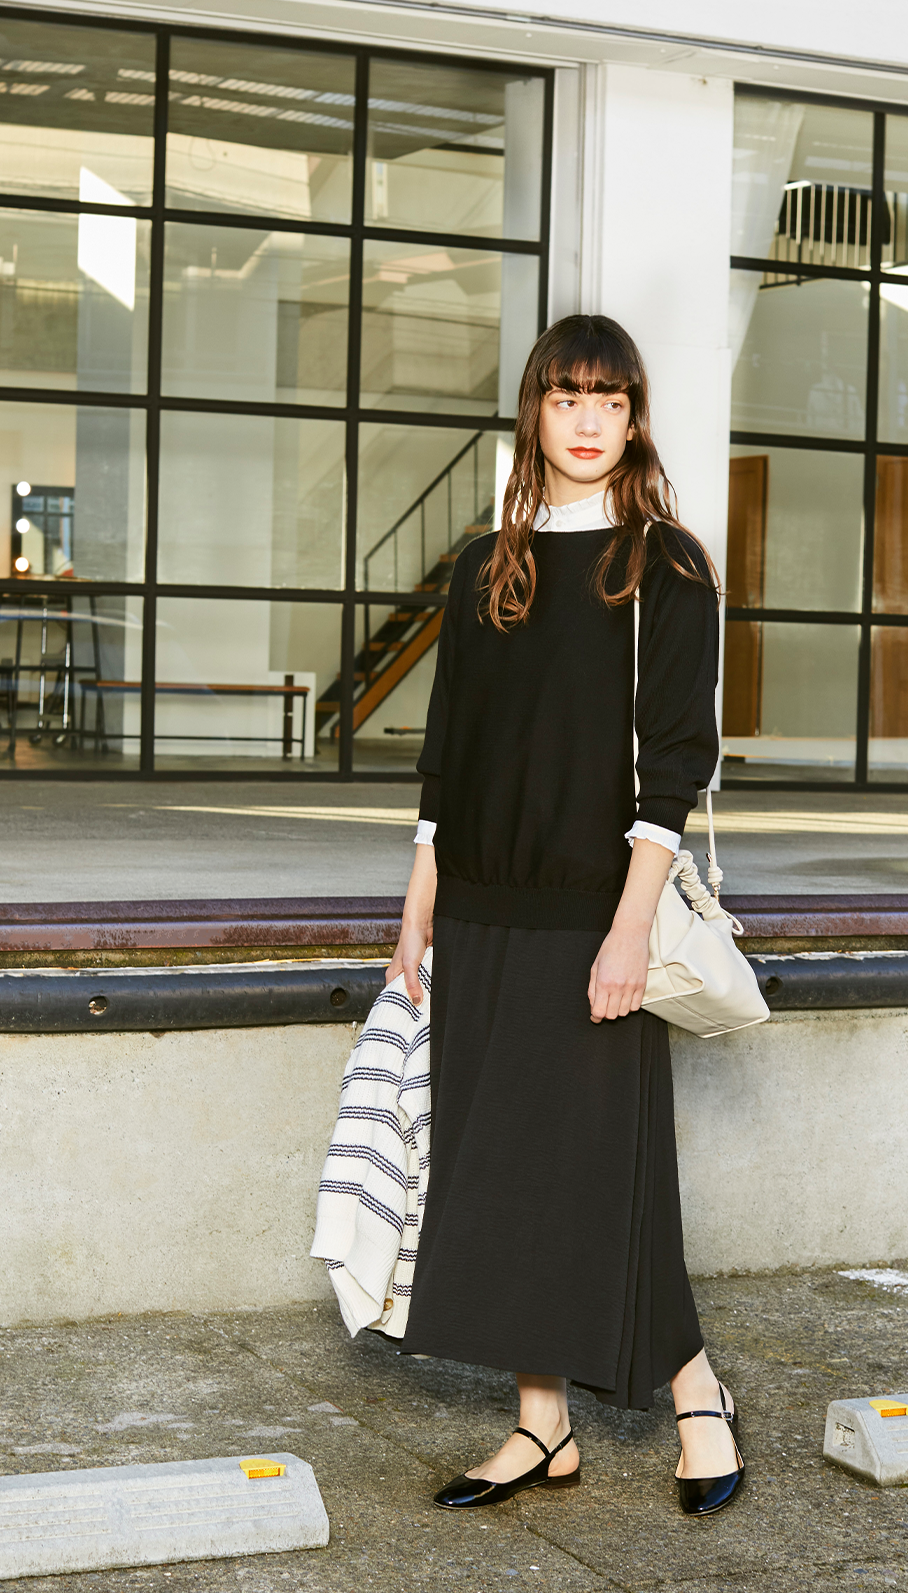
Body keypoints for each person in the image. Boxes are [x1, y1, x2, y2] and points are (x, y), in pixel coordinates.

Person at [386, 313, 744, 1519]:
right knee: (499, 1168)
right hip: (482, 910)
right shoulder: (484, 566)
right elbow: (447, 759)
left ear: (634, 419)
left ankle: (695, 1389)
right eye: (566, 396)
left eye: (610, 399)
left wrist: (631, 928)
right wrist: (417, 911)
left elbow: (674, 764)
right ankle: (543, 1425)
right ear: (534, 411)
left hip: (598, 912)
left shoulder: (665, 566)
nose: (588, 421)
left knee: (601, 1170)